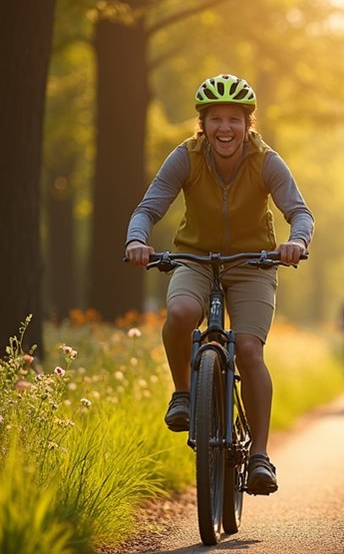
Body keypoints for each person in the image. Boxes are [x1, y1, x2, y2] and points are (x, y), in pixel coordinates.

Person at [124, 74, 312, 496]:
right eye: (215, 120)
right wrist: (137, 240)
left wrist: (296, 242)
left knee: (247, 348)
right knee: (181, 314)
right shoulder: (185, 157)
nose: (224, 128)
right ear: (202, 125)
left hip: (253, 263)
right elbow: (148, 208)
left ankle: (260, 456)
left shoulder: (267, 161)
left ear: (248, 124)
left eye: (234, 119)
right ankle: (184, 395)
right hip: (195, 257)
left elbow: (299, 212)